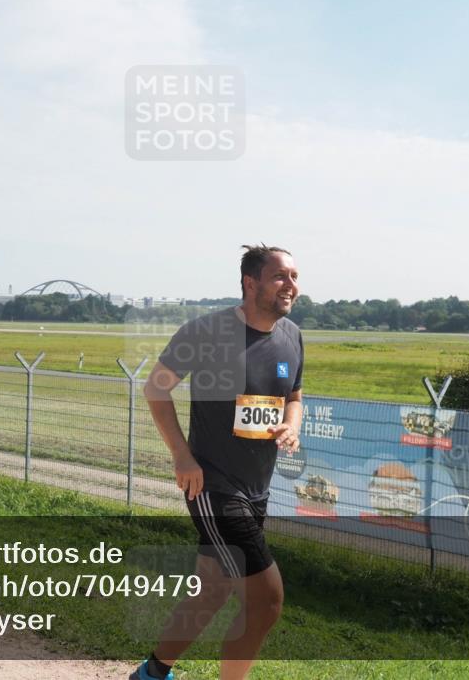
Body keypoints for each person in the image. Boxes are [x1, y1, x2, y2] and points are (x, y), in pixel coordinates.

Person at [131, 245, 304, 680]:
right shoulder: (207, 332)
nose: (291, 285)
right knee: (266, 601)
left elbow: (295, 397)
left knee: (212, 591)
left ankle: (152, 673)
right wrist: (181, 456)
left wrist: (291, 424)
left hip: (257, 487)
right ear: (251, 282)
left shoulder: (291, 336)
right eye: (280, 276)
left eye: (295, 276)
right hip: (213, 485)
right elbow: (156, 388)